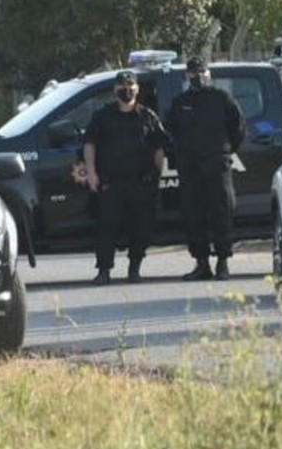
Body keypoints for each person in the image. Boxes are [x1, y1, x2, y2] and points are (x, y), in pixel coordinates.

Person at [81, 70, 168, 285]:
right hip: (111, 183)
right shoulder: (102, 116)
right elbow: (89, 144)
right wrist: (92, 173)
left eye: (131, 86)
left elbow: (159, 147)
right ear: (115, 90)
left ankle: (134, 269)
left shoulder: (147, 116)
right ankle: (103, 271)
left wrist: (158, 175)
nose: (126, 90)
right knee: (106, 228)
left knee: (140, 228)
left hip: (141, 183)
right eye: (122, 87)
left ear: (138, 89)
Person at [166, 57, 245, 280]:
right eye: (194, 73)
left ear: (209, 74)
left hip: (216, 164)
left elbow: (238, 128)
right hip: (190, 167)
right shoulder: (180, 102)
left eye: (202, 72)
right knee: (193, 214)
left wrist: (225, 151)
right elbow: (171, 130)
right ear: (187, 76)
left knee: (221, 213)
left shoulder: (222, 98)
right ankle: (202, 264)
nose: (198, 77)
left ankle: (222, 263)